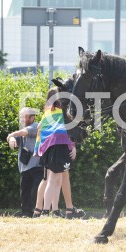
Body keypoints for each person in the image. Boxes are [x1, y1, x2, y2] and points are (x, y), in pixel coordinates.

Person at [33, 87, 82, 218]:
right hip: (60, 146)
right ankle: (46, 210)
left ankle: (52, 210)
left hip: (48, 148)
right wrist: (72, 146)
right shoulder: (63, 113)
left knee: (55, 179)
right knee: (54, 180)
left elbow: (41, 132)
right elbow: (67, 131)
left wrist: (39, 150)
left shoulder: (47, 113)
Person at [6, 107, 43, 218]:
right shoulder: (21, 130)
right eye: (21, 116)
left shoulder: (35, 126)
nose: (22, 119)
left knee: (35, 191)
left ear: (32, 118)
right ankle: (26, 213)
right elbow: (15, 140)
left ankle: (38, 212)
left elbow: (25, 132)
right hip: (24, 167)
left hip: (37, 165)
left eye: (24, 116)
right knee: (25, 192)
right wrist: (11, 139)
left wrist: (11, 135)